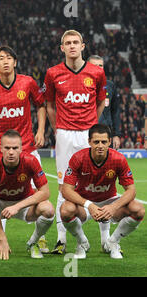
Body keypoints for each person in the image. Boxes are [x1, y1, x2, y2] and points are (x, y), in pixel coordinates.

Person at [43, 29, 107, 254]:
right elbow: (49, 105)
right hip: (65, 134)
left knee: (99, 185)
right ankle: (61, 241)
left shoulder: (96, 73)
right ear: (62, 48)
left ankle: (105, 240)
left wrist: (92, 128)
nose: (71, 46)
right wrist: (57, 128)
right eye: (67, 43)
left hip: (89, 135)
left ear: (83, 46)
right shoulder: (52, 73)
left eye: (75, 42)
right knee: (64, 187)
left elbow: (100, 102)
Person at [0, 45, 48, 252]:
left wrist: (41, 130)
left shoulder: (27, 82)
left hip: (27, 144)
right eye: (1, 58)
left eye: (9, 58)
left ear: (15, 62)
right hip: (0, 147)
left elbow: (41, 105)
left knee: (39, 192)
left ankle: (40, 238)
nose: (6, 61)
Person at [60, 124, 144, 259]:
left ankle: (113, 242)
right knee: (65, 210)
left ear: (109, 142)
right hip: (85, 203)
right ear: (89, 142)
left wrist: (113, 207)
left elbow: (131, 190)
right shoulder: (78, 158)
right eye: (96, 142)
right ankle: (82, 243)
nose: (100, 145)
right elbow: (66, 190)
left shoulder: (119, 159)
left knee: (138, 209)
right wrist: (89, 205)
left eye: (104, 142)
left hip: (109, 201)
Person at [0, 129, 54, 260]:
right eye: (7, 148)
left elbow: (45, 192)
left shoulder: (31, 161)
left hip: (24, 204)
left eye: (15, 148)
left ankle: (33, 243)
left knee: (48, 209)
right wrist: (2, 239)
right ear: (0, 148)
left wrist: (17, 207)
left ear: (21, 148)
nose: (11, 152)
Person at [87, 54, 123, 248]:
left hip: (105, 137)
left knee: (107, 184)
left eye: (101, 66)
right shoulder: (81, 83)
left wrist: (116, 134)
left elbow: (116, 111)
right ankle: (75, 235)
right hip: (85, 137)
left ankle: (105, 239)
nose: (98, 69)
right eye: (94, 66)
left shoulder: (110, 85)